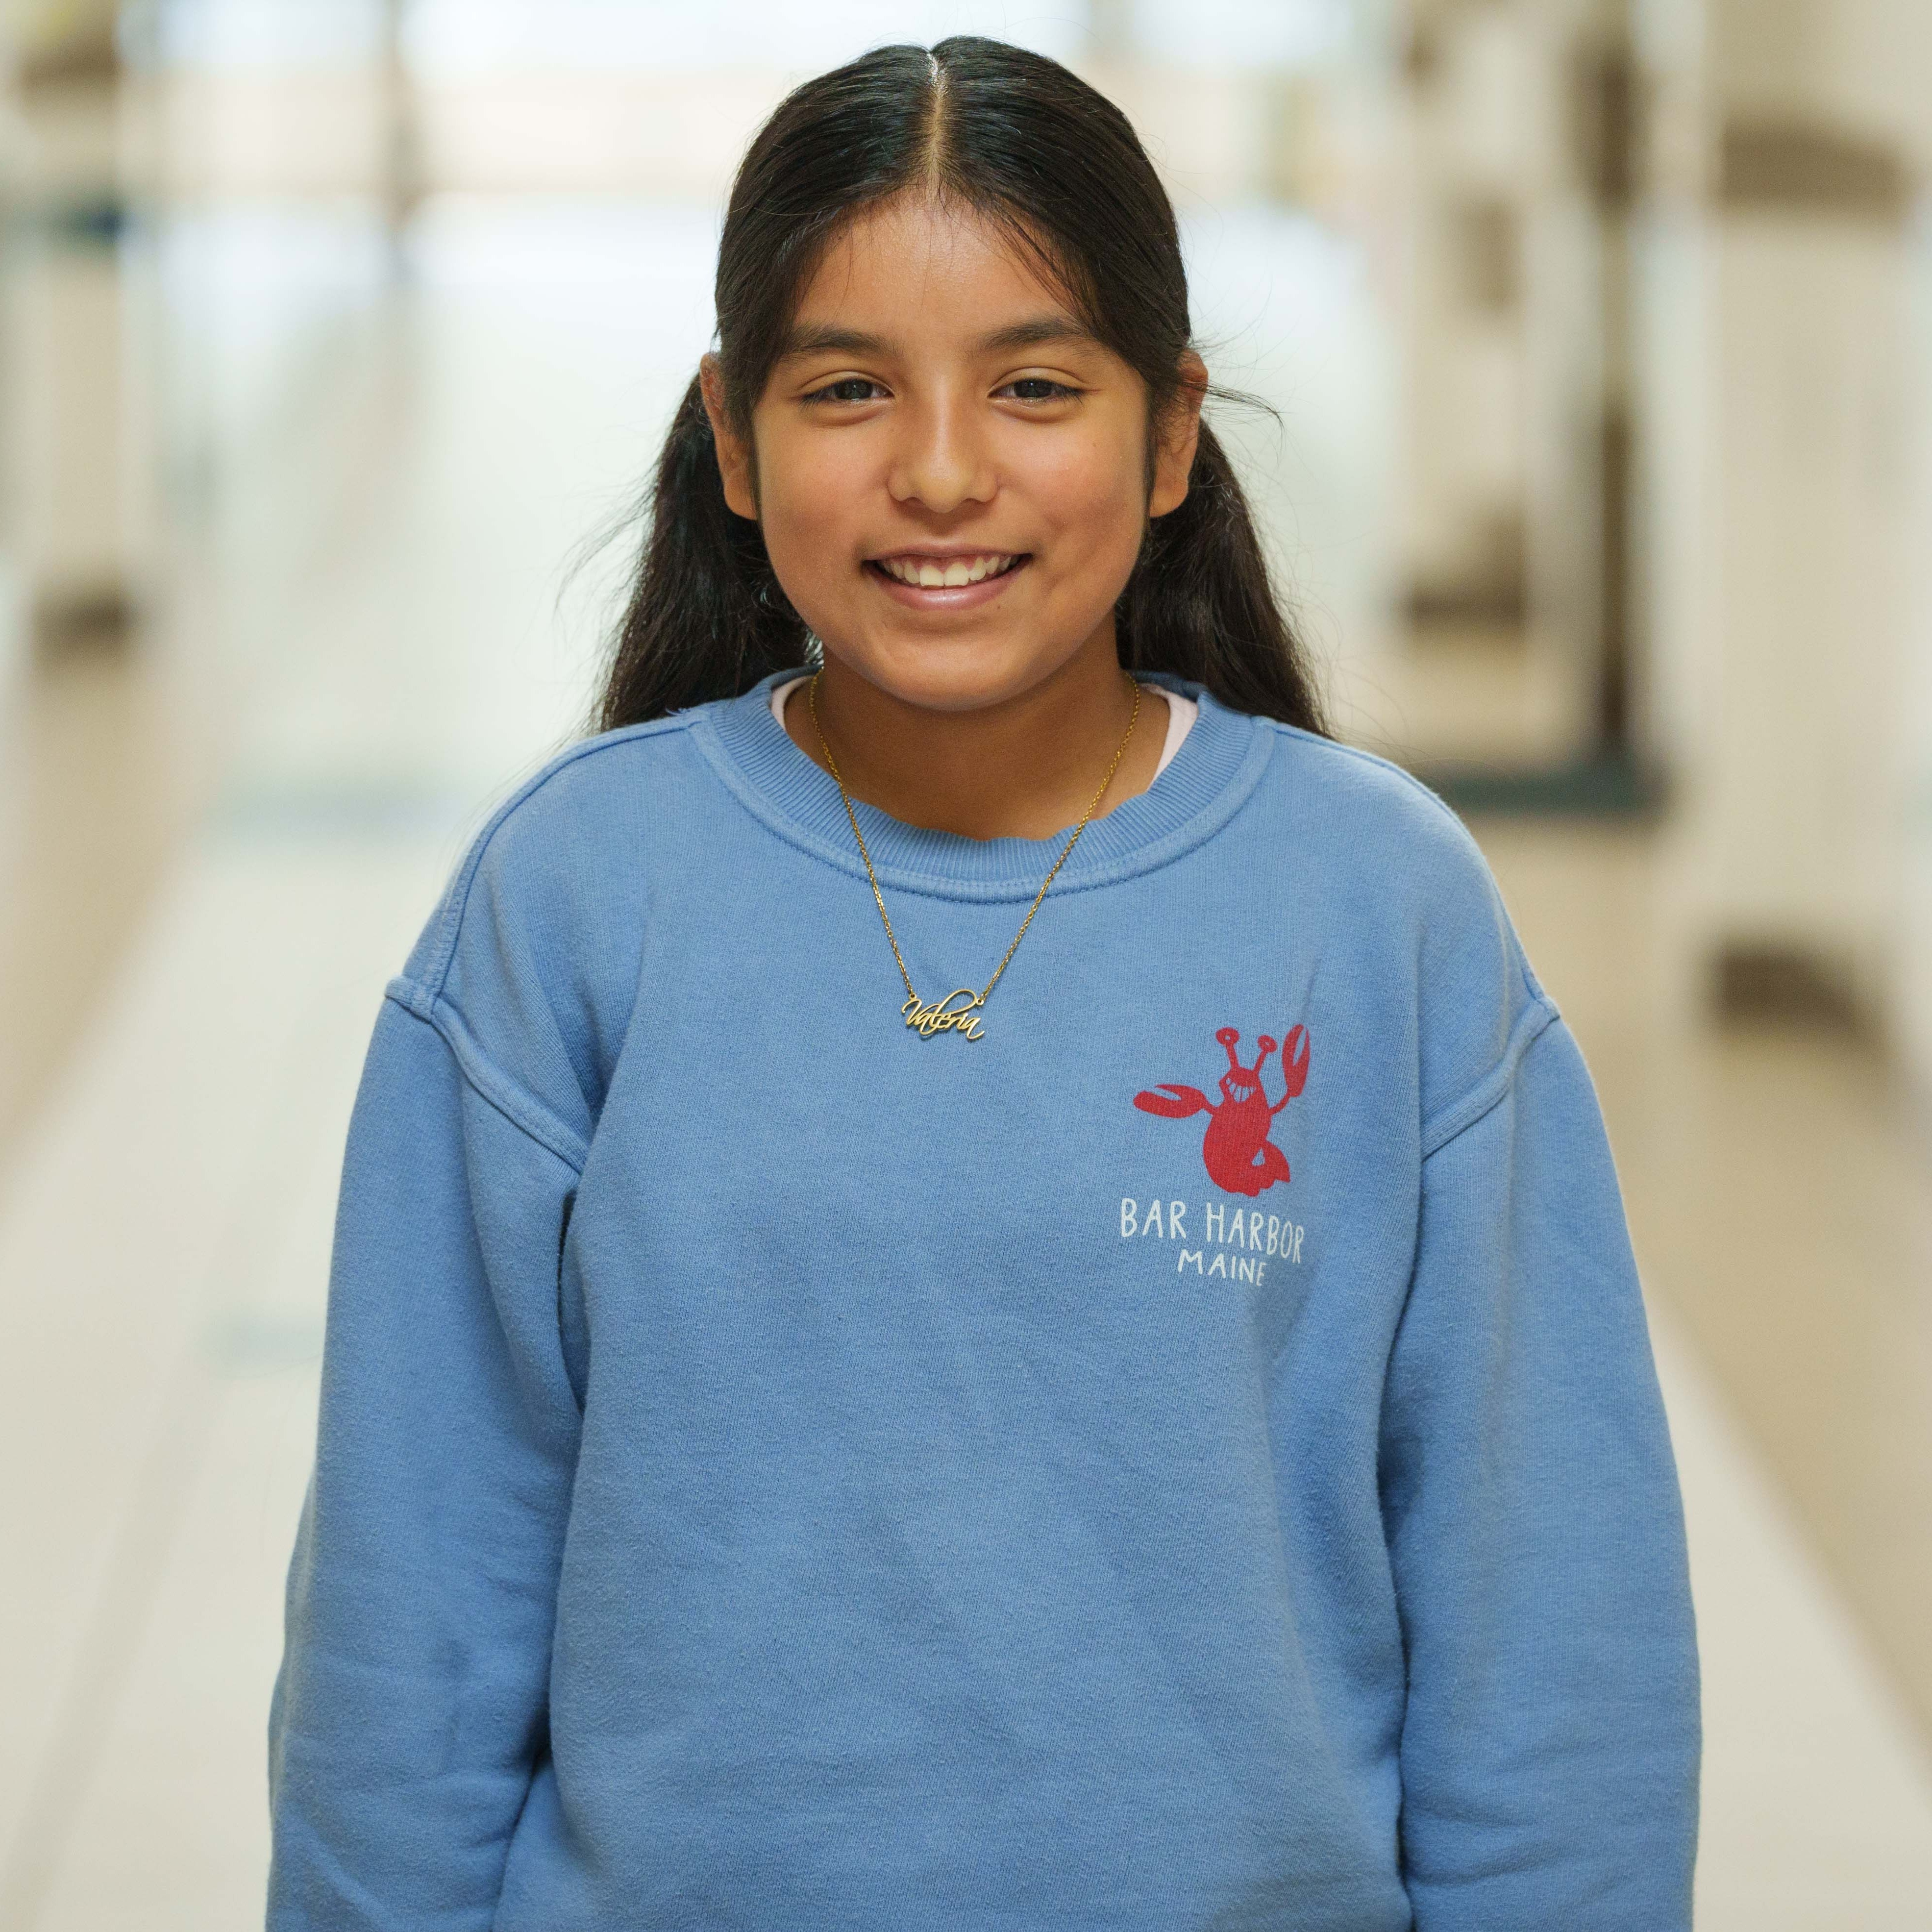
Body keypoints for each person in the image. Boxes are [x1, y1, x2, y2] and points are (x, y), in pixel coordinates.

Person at [266, 36, 1699, 1932]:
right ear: (732, 432)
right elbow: (408, 1620)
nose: (941, 474)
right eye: (849, 388)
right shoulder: (571, 905)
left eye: (1035, 386)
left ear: (1172, 431)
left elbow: (1551, 1640)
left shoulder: (1379, 914)